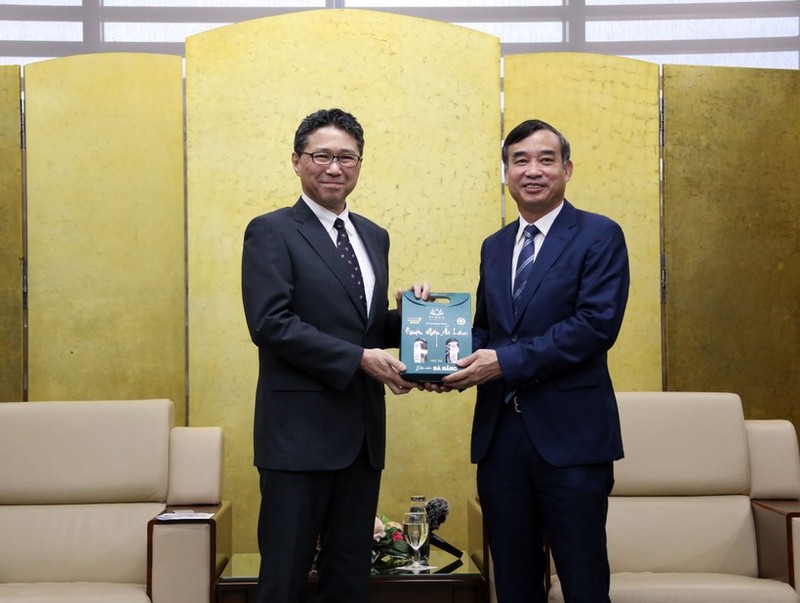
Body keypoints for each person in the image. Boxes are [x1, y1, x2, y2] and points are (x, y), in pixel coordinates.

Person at [241, 108, 428, 603]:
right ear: (297, 162)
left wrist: (413, 316)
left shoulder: (373, 235)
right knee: (283, 580)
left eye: (346, 157)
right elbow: (270, 324)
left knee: (348, 581)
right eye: (320, 155)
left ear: (360, 164)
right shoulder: (271, 231)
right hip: (297, 438)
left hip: (361, 437)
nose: (333, 167)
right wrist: (360, 359)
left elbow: (363, 327)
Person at [442, 119, 629, 603]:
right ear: (505, 172)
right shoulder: (496, 245)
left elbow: (594, 326)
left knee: (584, 581)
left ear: (567, 169)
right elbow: (486, 327)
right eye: (519, 160)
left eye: (546, 159)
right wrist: (445, 356)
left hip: (572, 441)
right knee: (515, 583)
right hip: (501, 440)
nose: (532, 170)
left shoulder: (599, 235)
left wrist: (502, 362)